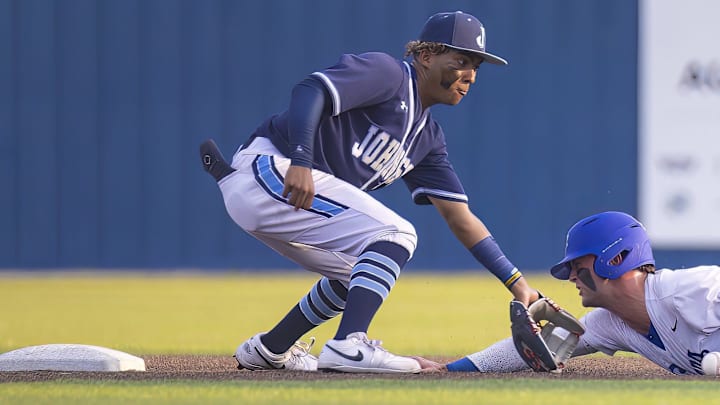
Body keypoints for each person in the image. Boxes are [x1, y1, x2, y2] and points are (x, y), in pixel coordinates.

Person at [199, 11, 541, 374]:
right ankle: (349, 345)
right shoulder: (391, 74)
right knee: (396, 234)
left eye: (476, 66)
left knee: (360, 272)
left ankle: (269, 349)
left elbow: (461, 219)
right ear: (426, 56)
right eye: (461, 60)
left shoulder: (427, 138)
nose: (470, 75)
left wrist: (519, 285)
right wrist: (301, 158)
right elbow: (310, 89)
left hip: (282, 191)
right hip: (270, 170)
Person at [423, 211, 720, 375]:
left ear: (615, 259)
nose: (572, 278)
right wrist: (448, 369)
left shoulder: (687, 289)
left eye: (578, 266)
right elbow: (529, 350)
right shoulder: (608, 323)